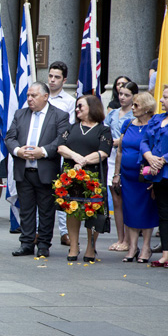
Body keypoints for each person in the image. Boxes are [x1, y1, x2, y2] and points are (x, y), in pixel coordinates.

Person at [6, 82, 70, 258]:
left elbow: (61, 140)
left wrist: (42, 152)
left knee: (46, 210)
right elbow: (10, 137)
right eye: (28, 95)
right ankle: (26, 243)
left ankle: (43, 244)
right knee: (26, 209)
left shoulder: (59, 115)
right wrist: (19, 151)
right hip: (24, 170)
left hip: (46, 170)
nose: (29, 99)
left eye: (33, 96)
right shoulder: (20, 114)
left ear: (45, 96)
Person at [57, 95, 112, 262]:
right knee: (72, 209)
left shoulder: (103, 130)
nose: (77, 109)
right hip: (72, 177)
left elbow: (103, 152)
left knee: (92, 211)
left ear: (92, 107)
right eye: (76, 106)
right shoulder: (71, 128)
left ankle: (91, 246)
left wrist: (84, 161)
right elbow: (61, 147)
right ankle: (74, 245)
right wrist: (76, 157)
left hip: (93, 177)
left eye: (81, 106)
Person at [113, 92, 158, 263]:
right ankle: (132, 246)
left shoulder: (153, 126)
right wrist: (117, 174)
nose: (132, 108)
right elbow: (120, 150)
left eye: (136, 105)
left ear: (147, 108)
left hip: (144, 176)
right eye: (133, 105)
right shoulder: (127, 124)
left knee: (146, 209)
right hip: (128, 176)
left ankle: (146, 247)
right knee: (129, 209)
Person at [141, 85, 168, 268]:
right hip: (158, 173)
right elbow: (145, 141)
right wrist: (149, 157)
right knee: (163, 213)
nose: (161, 100)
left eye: (166, 97)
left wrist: (164, 159)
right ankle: (165, 254)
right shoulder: (157, 119)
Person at [45, 61, 77, 247]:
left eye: (57, 77)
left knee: (62, 191)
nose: (52, 80)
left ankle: (64, 232)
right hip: (42, 151)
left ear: (64, 80)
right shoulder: (42, 96)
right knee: (42, 191)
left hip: (61, 151)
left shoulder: (69, 102)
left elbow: (69, 129)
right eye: (50, 76)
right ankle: (40, 230)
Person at [104, 81, 137, 252]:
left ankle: (132, 239)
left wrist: (118, 141)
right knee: (116, 199)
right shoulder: (113, 113)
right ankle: (120, 238)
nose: (122, 98)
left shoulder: (134, 115)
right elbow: (105, 131)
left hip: (127, 157)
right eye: (121, 94)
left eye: (127, 95)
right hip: (111, 157)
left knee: (128, 200)